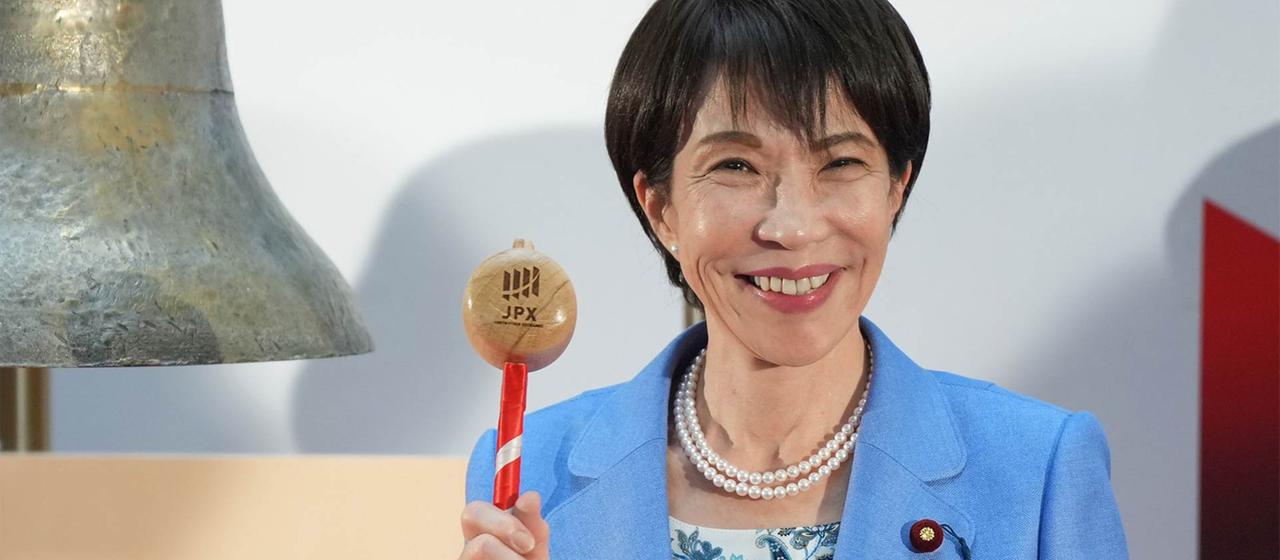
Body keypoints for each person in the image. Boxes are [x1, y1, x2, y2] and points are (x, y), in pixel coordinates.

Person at [458, 0, 1129, 558]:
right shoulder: (527, 469)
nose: (794, 227)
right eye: (736, 167)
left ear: (897, 188)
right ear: (660, 208)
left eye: (840, 163)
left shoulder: (1037, 472)